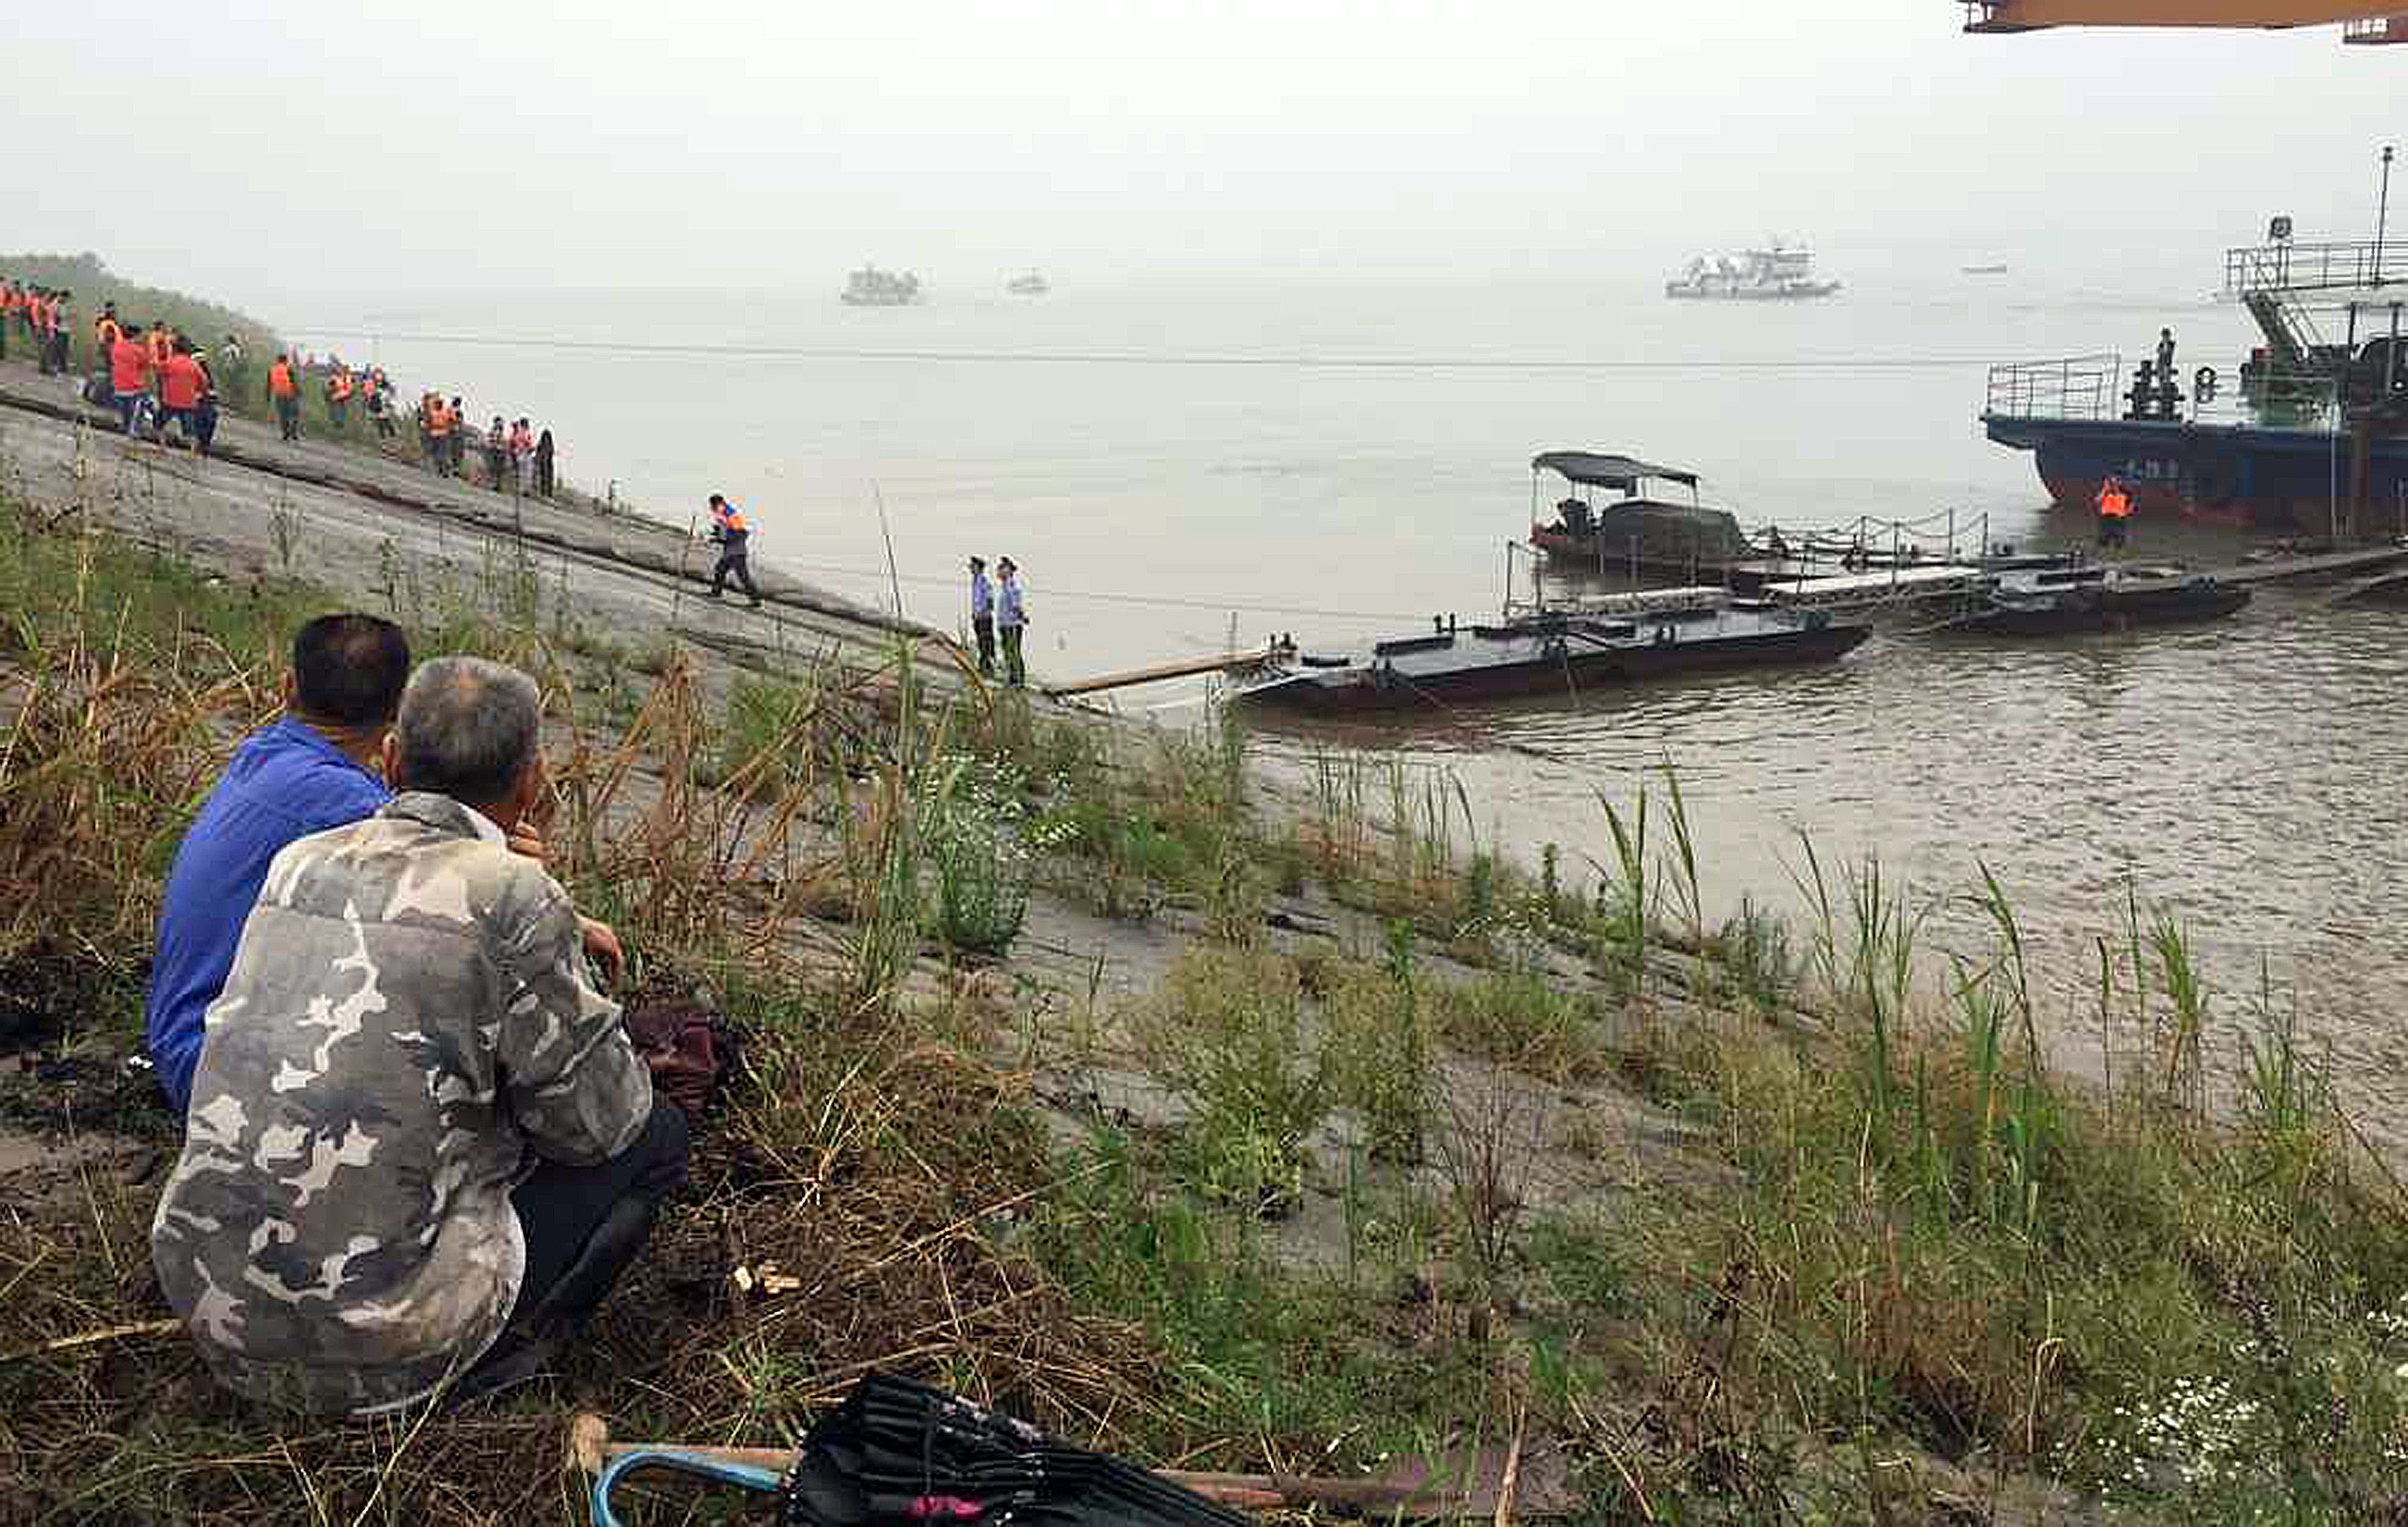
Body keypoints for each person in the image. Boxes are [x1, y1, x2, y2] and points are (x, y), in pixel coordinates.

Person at [149, 655, 683, 1415]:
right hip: (375, 1356)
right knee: (657, 1136)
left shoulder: (297, 864)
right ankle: (486, 1375)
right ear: (530, 783)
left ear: (393, 758)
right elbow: (598, 1124)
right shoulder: (517, 895)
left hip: (206, 1299)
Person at [144, 615, 410, 1114]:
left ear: (287, 686)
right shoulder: (346, 804)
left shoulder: (265, 755)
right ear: (397, 710)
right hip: (210, 1069)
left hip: (181, 1039)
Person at [704, 494, 761, 607]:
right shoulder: (723, 514)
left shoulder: (730, 514)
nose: (712, 509)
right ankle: (716, 592)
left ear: (719, 504)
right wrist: (715, 534)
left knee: (743, 576)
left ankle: (755, 600)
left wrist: (717, 539)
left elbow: (739, 533)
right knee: (720, 569)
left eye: (713, 506)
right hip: (730, 551)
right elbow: (724, 531)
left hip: (737, 551)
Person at [158, 340, 208, 449]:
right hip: (188, 402)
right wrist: (200, 393)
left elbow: (160, 374)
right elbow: (204, 382)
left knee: (161, 424)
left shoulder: (169, 362)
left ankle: (162, 447)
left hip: (170, 400)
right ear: (188, 352)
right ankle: (192, 452)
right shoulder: (195, 366)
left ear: (175, 350)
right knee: (190, 429)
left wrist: (165, 387)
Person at [108, 323, 153, 434]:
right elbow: (147, 366)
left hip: (117, 386)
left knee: (126, 406)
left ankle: (123, 423)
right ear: (136, 336)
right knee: (146, 400)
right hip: (133, 388)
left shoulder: (115, 346)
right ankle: (134, 429)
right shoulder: (138, 350)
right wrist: (146, 346)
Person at [996, 556, 1027, 688]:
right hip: (1005, 625)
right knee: (1008, 652)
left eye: (1002, 568)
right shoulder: (1005, 587)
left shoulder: (1011, 586)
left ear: (1008, 571)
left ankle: (1018, 680)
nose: (999, 571)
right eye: (999, 568)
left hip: (1012, 625)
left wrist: (1022, 617)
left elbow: (1016, 606)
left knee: (1014, 652)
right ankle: (1012, 678)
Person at [967, 556, 996, 677]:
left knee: (985, 643)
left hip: (984, 618)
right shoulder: (975, 581)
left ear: (978, 568)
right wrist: (974, 613)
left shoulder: (984, 581)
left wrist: (983, 613)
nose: (970, 568)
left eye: (973, 566)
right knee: (981, 642)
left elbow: (990, 601)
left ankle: (985, 667)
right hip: (978, 617)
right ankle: (986, 667)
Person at [268, 352, 301, 441]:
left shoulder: (272, 369)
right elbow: (293, 381)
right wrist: (298, 391)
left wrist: (268, 396)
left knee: (283, 415)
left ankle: (285, 432)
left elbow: (270, 384)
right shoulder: (288, 369)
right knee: (295, 414)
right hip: (290, 394)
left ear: (278, 360)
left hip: (279, 394)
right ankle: (293, 432)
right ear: (285, 361)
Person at [2096, 474, 2133, 549]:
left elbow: (2130, 505)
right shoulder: (2106, 491)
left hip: (2119, 517)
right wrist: (2104, 490)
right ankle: (2105, 540)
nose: (2115, 484)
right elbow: (2097, 500)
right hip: (2106, 517)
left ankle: (2119, 541)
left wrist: (2126, 513)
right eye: (2113, 482)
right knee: (2103, 540)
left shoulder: (2126, 493)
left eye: (2117, 482)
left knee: (2119, 541)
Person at [533, 427, 555, 499]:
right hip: (543, 463)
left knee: (549, 479)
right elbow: (537, 453)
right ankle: (543, 493)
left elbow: (551, 455)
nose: (546, 439)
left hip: (548, 464)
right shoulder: (541, 445)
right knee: (543, 478)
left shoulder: (550, 446)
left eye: (547, 437)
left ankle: (549, 494)